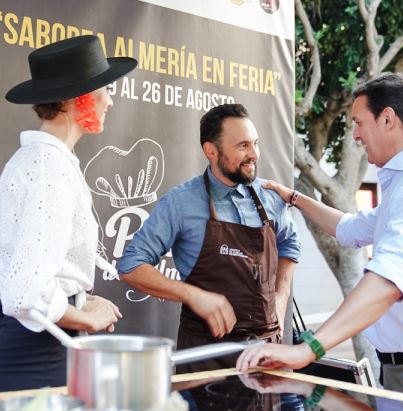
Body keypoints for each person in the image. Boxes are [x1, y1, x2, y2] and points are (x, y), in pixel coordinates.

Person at [237, 72, 403, 406]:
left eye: (358, 122)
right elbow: (350, 228)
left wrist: (307, 349)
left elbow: (389, 279)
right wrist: (293, 197)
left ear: (388, 119)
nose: (355, 136)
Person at [0, 35, 137, 392]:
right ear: (74, 99)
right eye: (104, 90)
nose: (110, 101)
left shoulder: (45, 163)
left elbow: (35, 282)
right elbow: (25, 294)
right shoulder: (49, 170)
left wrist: (81, 299)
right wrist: (88, 318)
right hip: (33, 361)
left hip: (40, 351)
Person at [118, 103, 301, 373]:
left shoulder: (271, 197)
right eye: (242, 146)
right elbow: (131, 266)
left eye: (255, 144)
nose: (254, 155)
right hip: (205, 357)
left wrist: (280, 300)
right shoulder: (181, 203)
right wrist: (194, 296)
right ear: (211, 150)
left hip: (267, 355)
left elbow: (290, 245)